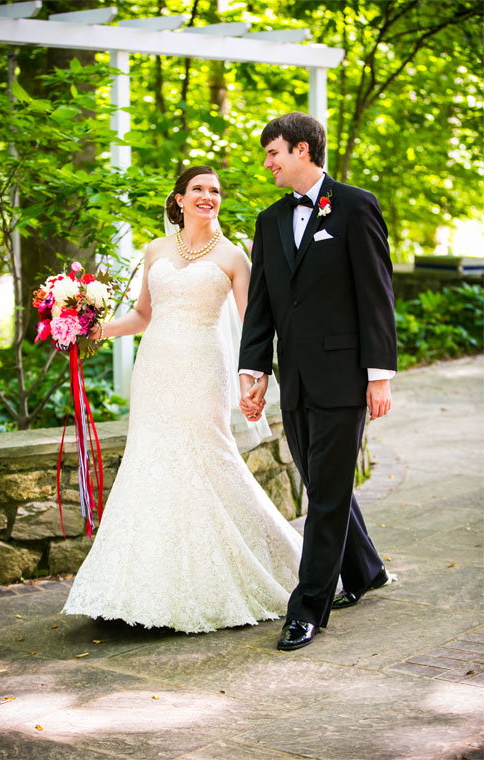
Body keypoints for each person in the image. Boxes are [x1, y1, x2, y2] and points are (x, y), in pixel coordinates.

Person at [62, 166, 303, 633]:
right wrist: (89, 329)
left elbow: (253, 326)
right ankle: (136, 588)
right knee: (149, 460)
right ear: (179, 198)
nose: (208, 196)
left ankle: (275, 565)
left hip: (203, 366)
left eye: (214, 190)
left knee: (208, 456)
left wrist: (252, 380)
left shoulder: (234, 257)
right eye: (199, 189)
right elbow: (140, 315)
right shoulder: (156, 250)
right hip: (154, 369)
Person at [239, 112, 397, 651]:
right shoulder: (268, 221)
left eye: (273, 152)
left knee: (325, 498)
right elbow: (261, 303)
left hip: (346, 375)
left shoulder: (355, 206)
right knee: (321, 483)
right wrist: (254, 370)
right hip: (296, 379)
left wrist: (379, 377)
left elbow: (377, 295)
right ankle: (366, 569)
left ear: (303, 150)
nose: (268, 163)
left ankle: (307, 607)